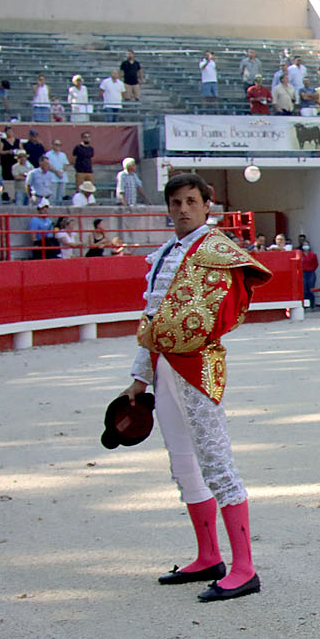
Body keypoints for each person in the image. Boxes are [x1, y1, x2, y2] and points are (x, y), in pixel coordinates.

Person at [121, 174, 271, 601]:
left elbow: (226, 311)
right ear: (168, 208)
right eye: (176, 202)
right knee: (183, 463)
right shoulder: (166, 253)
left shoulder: (218, 251)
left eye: (191, 201)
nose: (183, 209)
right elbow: (150, 320)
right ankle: (208, 556)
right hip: (163, 365)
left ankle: (244, 569)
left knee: (216, 461)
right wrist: (139, 378)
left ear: (207, 205)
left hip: (198, 364)